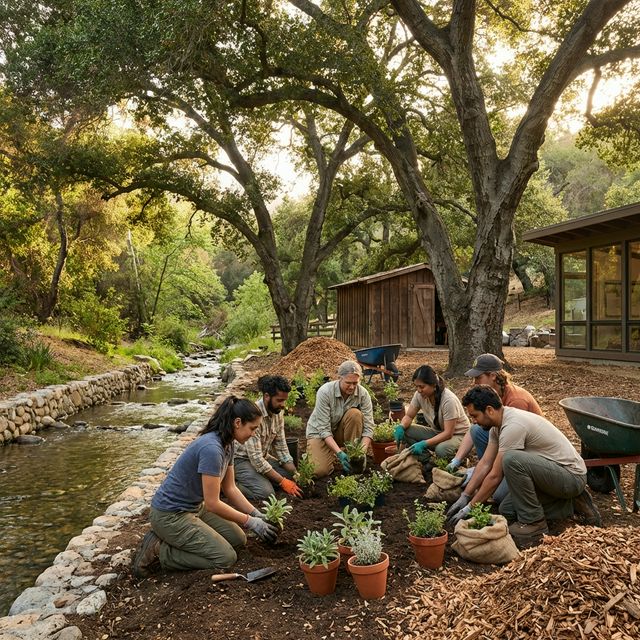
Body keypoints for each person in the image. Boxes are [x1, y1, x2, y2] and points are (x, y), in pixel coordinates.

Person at [132, 396, 278, 578]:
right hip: (170, 515)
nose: (254, 433)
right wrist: (250, 521)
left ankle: (176, 542)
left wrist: (257, 515)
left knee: (238, 539)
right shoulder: (211, 448)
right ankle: (160, 551)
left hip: (194, 508)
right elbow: (213, 504)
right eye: (253, 428)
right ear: (238, 423)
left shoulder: (228, 444)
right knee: (225, 558)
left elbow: (231, 488)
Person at [447, 385, 601, 548]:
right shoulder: (496, 427)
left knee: (512, 460)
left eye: (474, 415)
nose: (473, 421)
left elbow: (494, 476)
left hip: (570, 476)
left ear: (489, 410)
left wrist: (470, 507)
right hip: (553, 475)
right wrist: (466, 495)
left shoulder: (513, 425)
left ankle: (534, 523)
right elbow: (485, 464)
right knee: (507, 510)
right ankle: (572, 503)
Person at [446, 353, 543, 473]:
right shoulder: (492, 395)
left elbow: (514, 441)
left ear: (492, 376)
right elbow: (473, 430)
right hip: (508, 441)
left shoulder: (516, 400)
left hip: (529, 452)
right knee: (478, 430)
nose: (474, 382)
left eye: (478, 377)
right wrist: (456, 460)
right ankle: (486, 469)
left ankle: (494, 472)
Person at [234, 375, 302, 502]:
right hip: (241, 459)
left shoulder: (277, 412)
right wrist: (282, 481)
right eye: (279, 400)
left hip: (262, 457)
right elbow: (256, 459)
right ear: (266, 396)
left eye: (284, 400)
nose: (283, 405)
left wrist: (296, 475)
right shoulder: (253, 415)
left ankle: (260, 479)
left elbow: (281, 448)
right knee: (266, 492)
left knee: (289, 477)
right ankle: (230, 485)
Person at [305, 360, 374, 478]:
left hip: (341, 432)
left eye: (355, 383)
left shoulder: (363, 394)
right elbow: (324, 430)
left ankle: (351, 455)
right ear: (339, 378)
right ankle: (329, 454)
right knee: (319, 471)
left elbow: (369, 427)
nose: (352, 387)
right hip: (320, 434)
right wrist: (339, 453)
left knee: (355, 414)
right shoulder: (325, 392)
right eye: (348, 382)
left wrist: (361, 452)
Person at [394, 365, 469, 461]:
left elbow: (448, 433)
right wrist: (401, 426)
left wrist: (424, 443)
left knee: (442, 449)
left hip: (458, 435)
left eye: (422, 386)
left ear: (434, 385)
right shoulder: (419, 395)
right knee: (407, 431)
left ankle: (459, 460)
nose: (419, 390)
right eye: (416, 386)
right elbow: (409, 416)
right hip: (438, 432)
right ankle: (427, 461)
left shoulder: (448, 400)